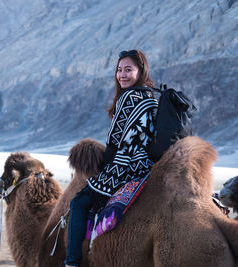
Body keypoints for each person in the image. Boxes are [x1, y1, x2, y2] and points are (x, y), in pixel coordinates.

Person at [64, 50, 158, 267]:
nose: (122, 75)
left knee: (78, 203)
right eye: (119, 70)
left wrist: (103, 167)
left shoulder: (129, 97)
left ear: (140, 71)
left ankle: (72, 261)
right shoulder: (151, 96)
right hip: (147, 167)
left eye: (128, 70)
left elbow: (114, 143)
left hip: (125, 169)